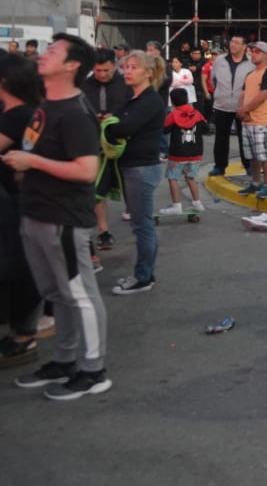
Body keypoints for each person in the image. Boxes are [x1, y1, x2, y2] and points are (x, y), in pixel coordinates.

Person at [6, 35, 110, 399]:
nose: (43, 55)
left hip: (63, 219)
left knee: (79, 294)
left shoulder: (76, 113)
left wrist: (31, 162)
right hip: (36, 212)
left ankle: (94, 369)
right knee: (57, 293)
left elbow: (85, 170)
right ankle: (64, 361)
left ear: (71, 66)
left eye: (53, 51)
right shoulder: (45, 106)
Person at [107, 51, 168, 295]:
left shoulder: (150, 101)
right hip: (132, 166)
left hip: (141, 168)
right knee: (140, 224)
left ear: (148, 72)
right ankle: (145, 273)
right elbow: (118, 123)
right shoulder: (133, 99)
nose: (127, 71)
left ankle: (143, 276)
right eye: (126, 67)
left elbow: (122, 127)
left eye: (133, 67)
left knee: (142, 226)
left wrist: (112, 124)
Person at [0, 54, 43, 368]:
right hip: (19, 204)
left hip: (18, 205)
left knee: (18, 270)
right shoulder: (22, 113)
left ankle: (22, 336)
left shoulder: (19, 116)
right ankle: (21, 332)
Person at [82, 47, 129, 251]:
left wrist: (116, 117)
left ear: (114, 66)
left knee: (129, 185)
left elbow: (134, 110)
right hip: (93, 143)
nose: (102, 75)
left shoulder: (126, 83)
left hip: (122, 144)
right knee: (97, 190)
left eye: (106, 71)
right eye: (98, 70)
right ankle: (103, 231)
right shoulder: (84, 84)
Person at [235, 42, 267, 201]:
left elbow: (264, 94)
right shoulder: (250, 74)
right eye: (252, 51)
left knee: (264, 155)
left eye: (257, 52)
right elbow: (243, 94)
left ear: (266, 54)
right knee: (252, 155)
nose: (253, 54)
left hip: (262, 119)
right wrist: (241, 110)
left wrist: (244, 109)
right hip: (248, 120)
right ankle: (255, 182)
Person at [158, 87, 207, 219]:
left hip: (177, 154)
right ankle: (197, 203)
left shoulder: (173, 115)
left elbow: (164, 131)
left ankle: (176, 206)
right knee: (190, 177)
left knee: (173, 178)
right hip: (196, 154)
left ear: (172, 102)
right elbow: (206, 128)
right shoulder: (197, 113)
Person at [208, 35, 254, 176]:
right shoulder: (220, 60)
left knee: (245, 137)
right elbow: (213, 79)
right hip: (222, 105)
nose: (232, 45)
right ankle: (220, 166)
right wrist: (221, 93)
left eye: (236, 42)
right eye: (232, 41)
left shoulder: (251, 62)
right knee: (221, 137)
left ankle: (248, 165)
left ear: (244, 46)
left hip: (243, 106)